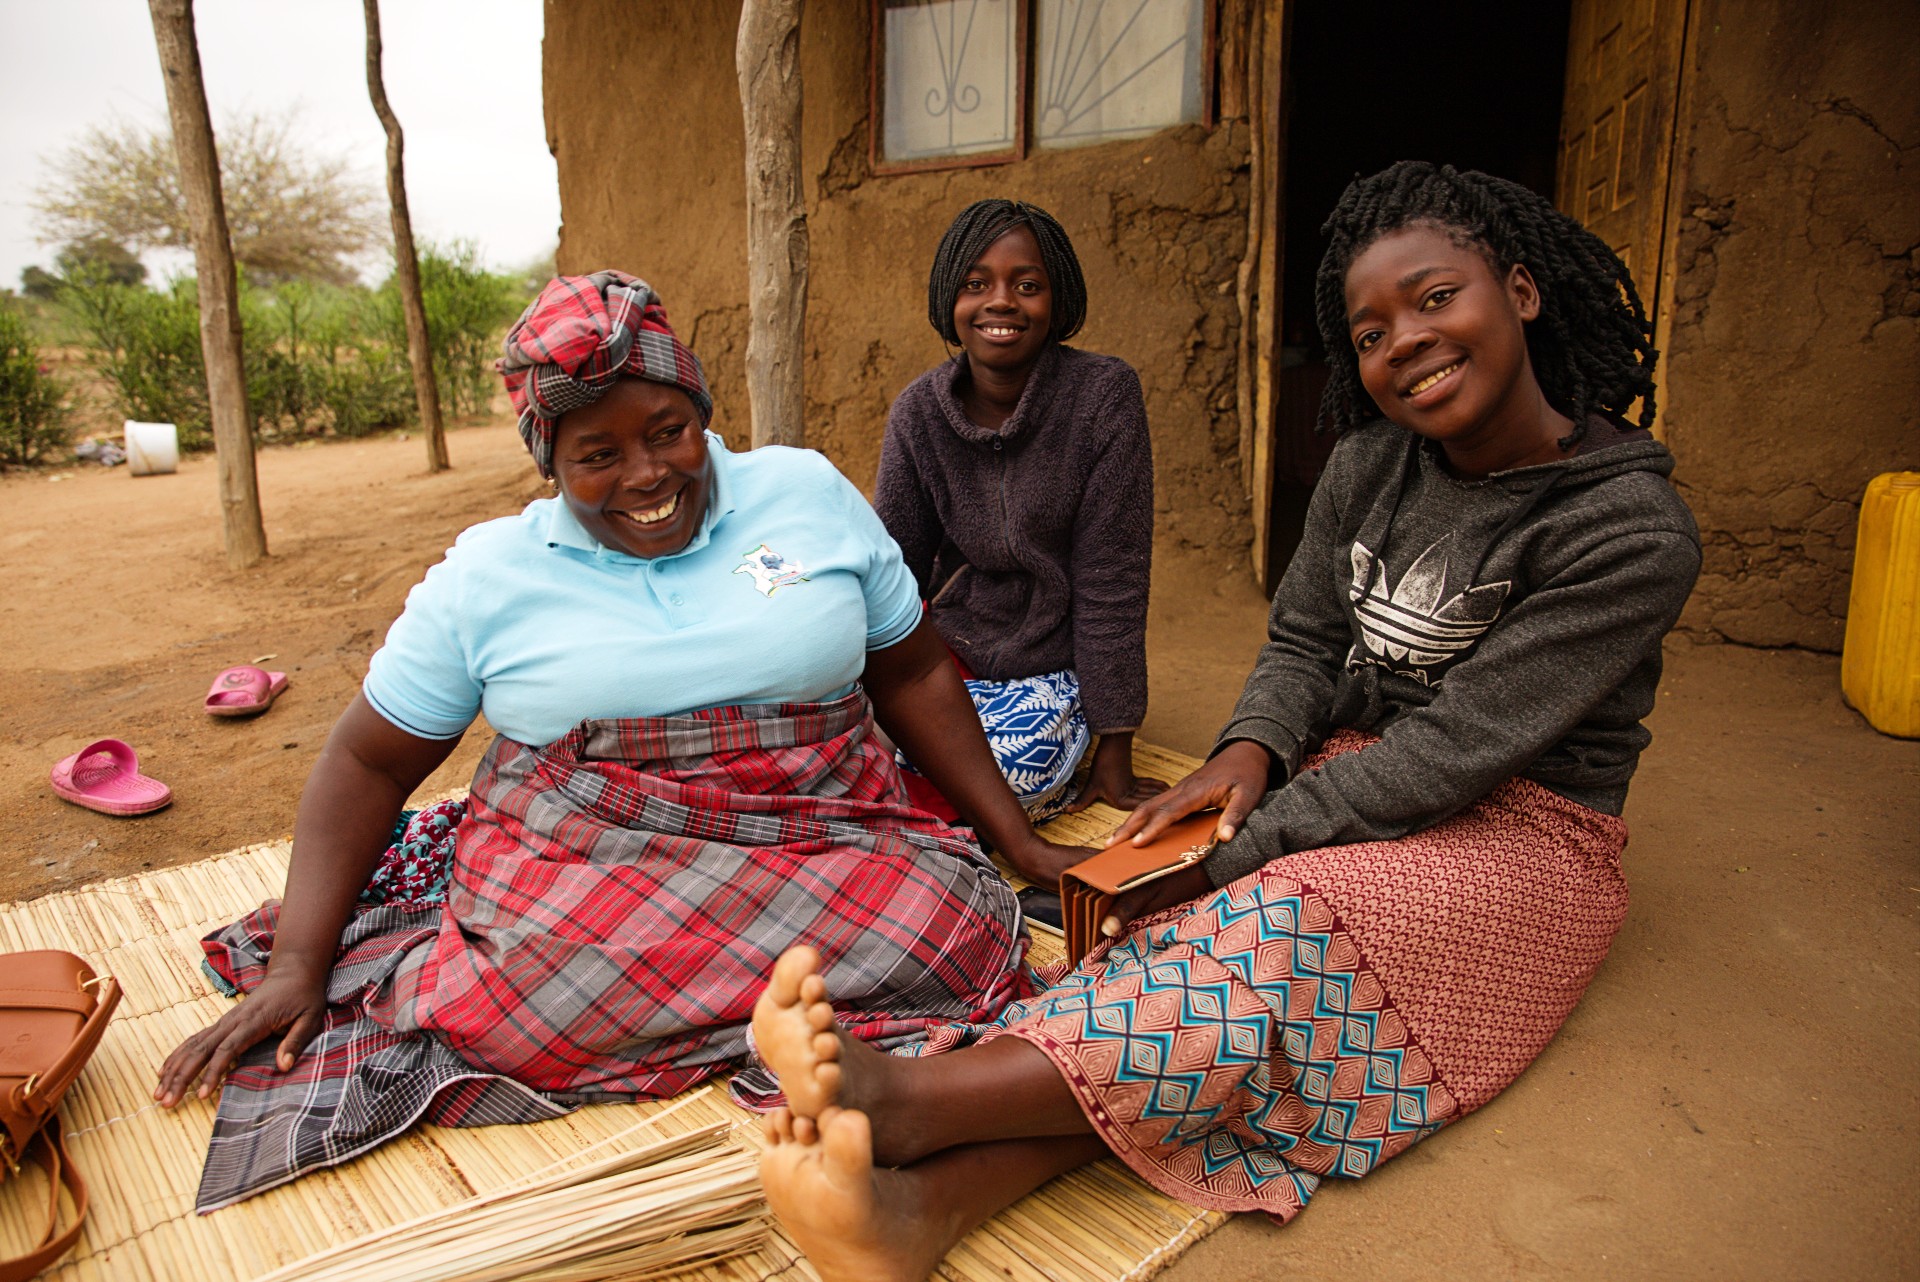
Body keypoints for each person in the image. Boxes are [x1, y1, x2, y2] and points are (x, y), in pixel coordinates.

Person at [746, 162, 1703, 1280]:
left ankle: (908, 1102)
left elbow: (1455, 751)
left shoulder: (1630, 530)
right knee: (1165, 933)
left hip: (1528, 836)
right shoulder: (1366, 466)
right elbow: (1303, 643)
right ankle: (926, 1210)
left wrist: (1252, 843)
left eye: (1437, 299)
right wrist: (1246, 756)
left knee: (1280, 919)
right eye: (1372, 329)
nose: (1407, 342)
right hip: (1365, 770)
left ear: (1523, 293)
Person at [152, 271, 1087, 1211]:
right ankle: (790, 1035)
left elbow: (914, 670)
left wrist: (1019, 842)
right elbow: (367, 760)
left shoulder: (802, 494)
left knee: (957, 934)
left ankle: (831, 1058)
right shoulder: (489, 577)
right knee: (514, 1011)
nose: (646, 476)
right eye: (597, 454)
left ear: (700, 411)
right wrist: (297, 969)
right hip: (594, 865)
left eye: (668, 433)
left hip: (823, 839)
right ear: (547, 462)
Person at [874, 199, 1164, 821]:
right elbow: (892, 570)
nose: (1001, 301)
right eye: (976, 284)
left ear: (1058, 303)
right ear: (948, 303)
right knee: (834, 731)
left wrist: (1115, 746)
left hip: (1052, 662)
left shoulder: (1103, 398)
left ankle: (913, 804)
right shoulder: (919, 413)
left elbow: (1113, 579)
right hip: (950, 646)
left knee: (1015, 769)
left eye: (1027, 285)